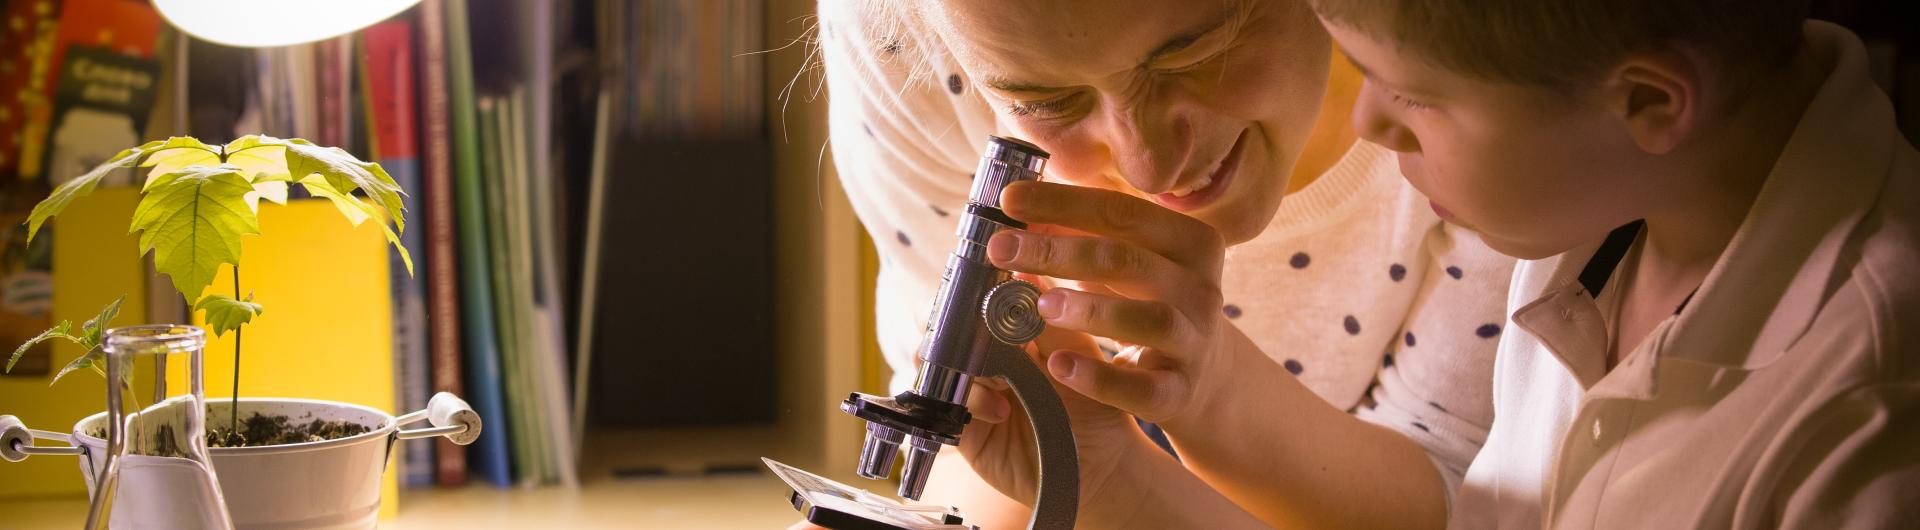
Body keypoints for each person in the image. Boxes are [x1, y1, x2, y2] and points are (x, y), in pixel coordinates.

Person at [806, 0, 1513, 526]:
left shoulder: (1494, 96)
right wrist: (1080, 460)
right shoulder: (896, 34)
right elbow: (970, 461)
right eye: (1043, 100)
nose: (1148, 164)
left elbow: (1460, 503)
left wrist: (1213, 392)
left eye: (1192, 57)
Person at [1286, 0, 1920, 527]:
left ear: (1650, 101)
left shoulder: (1867, 413)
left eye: (1414, 97)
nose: (1367, 123)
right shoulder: (1592, 206)